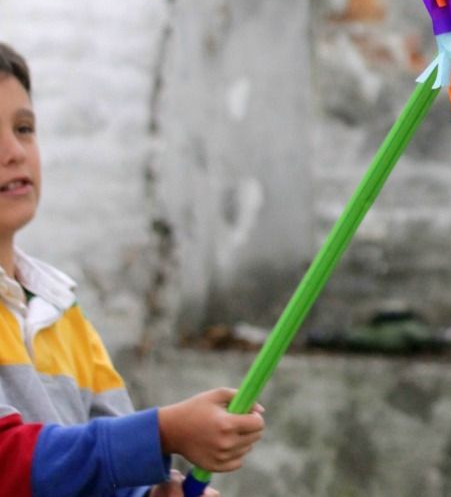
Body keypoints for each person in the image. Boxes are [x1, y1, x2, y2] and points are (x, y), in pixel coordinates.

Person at [0, 42, 265, 497]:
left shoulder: (63, 312)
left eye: (24, 128)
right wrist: (162, 433)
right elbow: (9, 462)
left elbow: (108, 477)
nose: (13, 151)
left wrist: (151, 495)